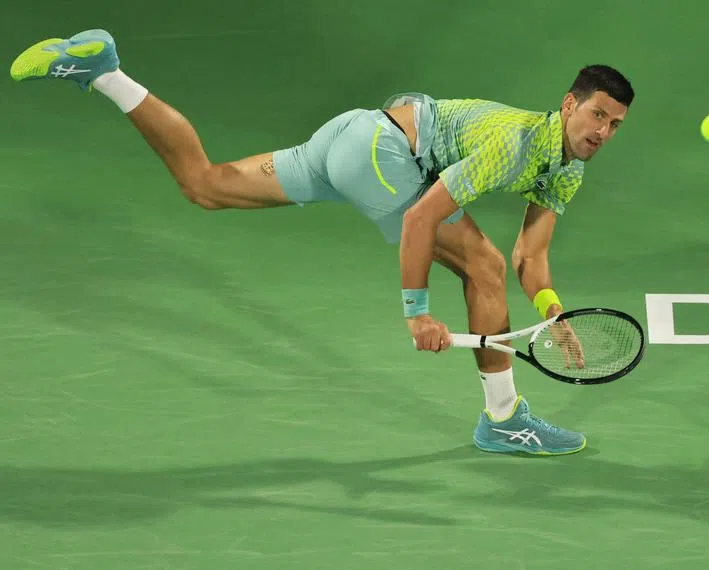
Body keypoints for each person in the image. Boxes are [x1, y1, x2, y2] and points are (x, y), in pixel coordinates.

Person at [10, 29, 633, 456]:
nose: (602, 130)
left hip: (351, 136)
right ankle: (503, 420)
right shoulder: (515, 143)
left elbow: (533, 257)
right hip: (382, 155)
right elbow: (421, 222)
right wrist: (416, 314)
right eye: (596, 114)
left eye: (614, 124)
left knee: (206, 185)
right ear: (569, 104)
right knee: (482, 264)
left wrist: (552, 312)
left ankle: (106, 72)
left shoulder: (567, 170)